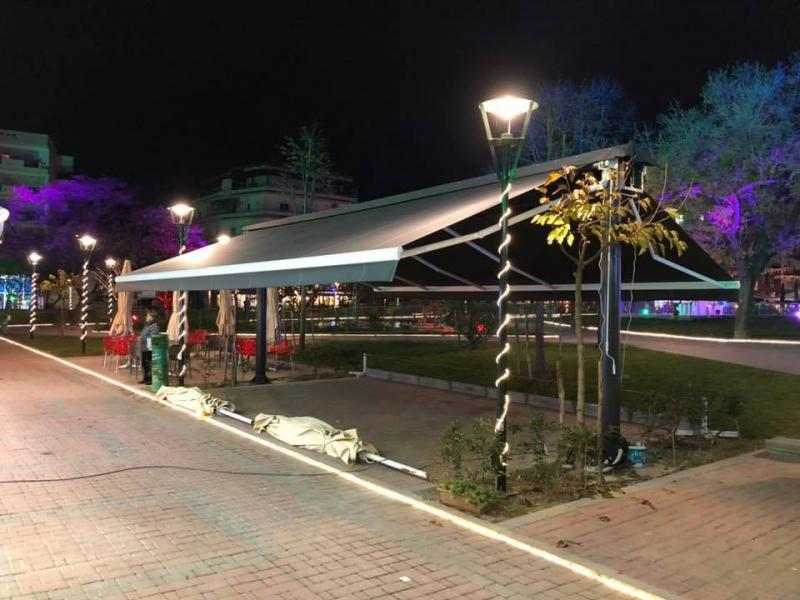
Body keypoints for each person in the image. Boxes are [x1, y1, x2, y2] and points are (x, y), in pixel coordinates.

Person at [138, 309, 160, 385]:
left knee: (148, 363)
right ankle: (145, 378)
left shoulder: (154, 326)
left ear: (152, 317)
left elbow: (153, 337)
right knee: (144, 363)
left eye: (148, 316)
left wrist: (143, 338)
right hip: (144, 346)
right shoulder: (147, 325)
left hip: (149, 346)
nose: (146, 317)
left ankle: (150, 379)